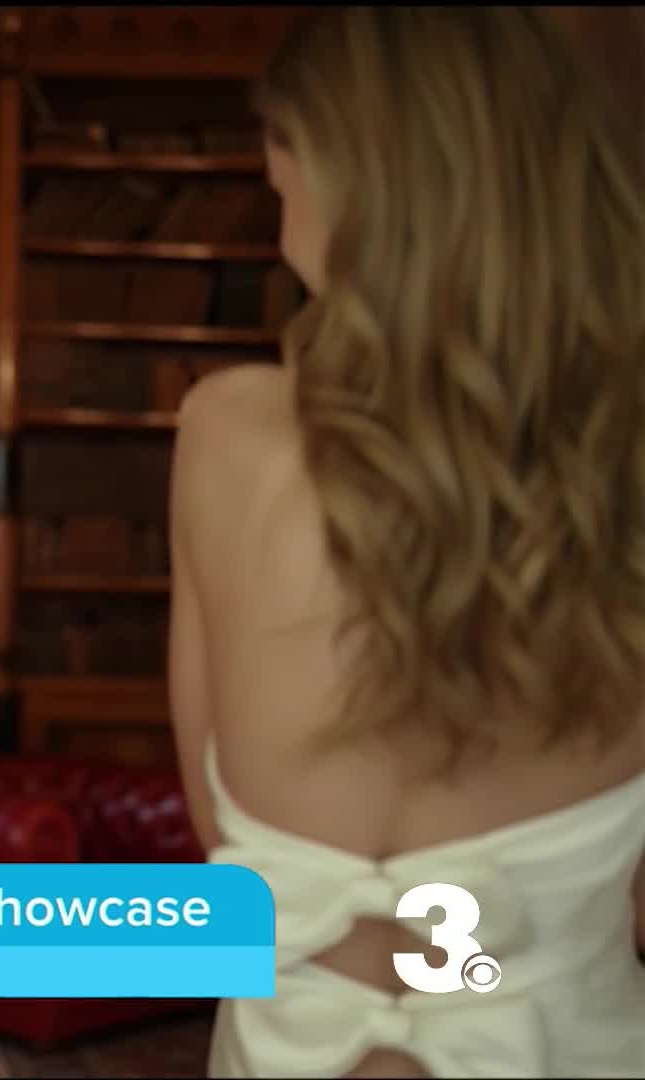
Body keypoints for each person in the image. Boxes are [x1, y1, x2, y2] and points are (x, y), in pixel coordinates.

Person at [167, 8, 645, 1078]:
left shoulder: (225, 438)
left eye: (284, 187)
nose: (280, 231)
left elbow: (218, 837)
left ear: (359, 187)